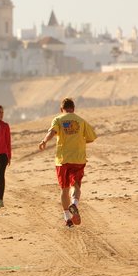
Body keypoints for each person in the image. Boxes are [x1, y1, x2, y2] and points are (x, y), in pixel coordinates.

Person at [38, 97, 97, 228]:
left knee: (64, 189)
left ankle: (67, 218)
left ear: (61, 109)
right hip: (78, 158)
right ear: (73, 108)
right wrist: (79, 142)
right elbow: (91, 138)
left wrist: (44, 141)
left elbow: (52, 132)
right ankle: (74, 204)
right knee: (75, 185)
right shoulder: (81, 121)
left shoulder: (58, 119)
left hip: (62, 160)